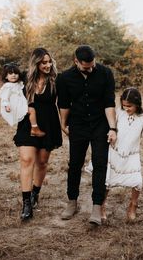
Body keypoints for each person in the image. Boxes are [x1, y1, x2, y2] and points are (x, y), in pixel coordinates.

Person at [57, 45, 117, 225]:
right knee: (75, 163)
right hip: (78, 125)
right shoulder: (64, 78)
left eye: (92, 65)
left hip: (100, 125)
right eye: (86, 66)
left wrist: (113, 128)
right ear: (76, 61)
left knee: (100, 164)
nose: (90, 69)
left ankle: (97, 207)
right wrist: (63, 124)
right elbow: (64, 104)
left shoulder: (106, 74)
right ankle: (72, 202)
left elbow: (109, 102)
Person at [13, 48, 62, 221]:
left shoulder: (56, 80)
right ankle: (26, 203)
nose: (48, 65)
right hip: (28, 122)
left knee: (42, 162)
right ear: (36, 63)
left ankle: (35, 193)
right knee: (27, 160)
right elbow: (9, 91)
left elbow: (64, 103)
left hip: (48, 123)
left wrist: (65, 124)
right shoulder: (25, 78)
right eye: (43, 62)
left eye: (49, 61)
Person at [104, 87, 143, 221]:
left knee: (137, 182)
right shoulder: (119, 112)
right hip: (115, 152)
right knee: (107, 181)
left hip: (132, 155)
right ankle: (102, 206)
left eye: (129, 106)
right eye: (124, 105)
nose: (126, 108)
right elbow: (111, 126)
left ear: (137, 104)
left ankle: (133, 205)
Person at [0, 63, 45, 137]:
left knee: (31, 110)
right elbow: (4, 98)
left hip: (20, 105)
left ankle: (33, 127)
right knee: (32, 110)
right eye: (10, 73)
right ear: (6, 76)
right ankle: (34, 129)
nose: (14, 75)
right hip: (14, 107)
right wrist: (6, 106)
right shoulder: (7, 86)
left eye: (16, 73)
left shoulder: (19, 83)